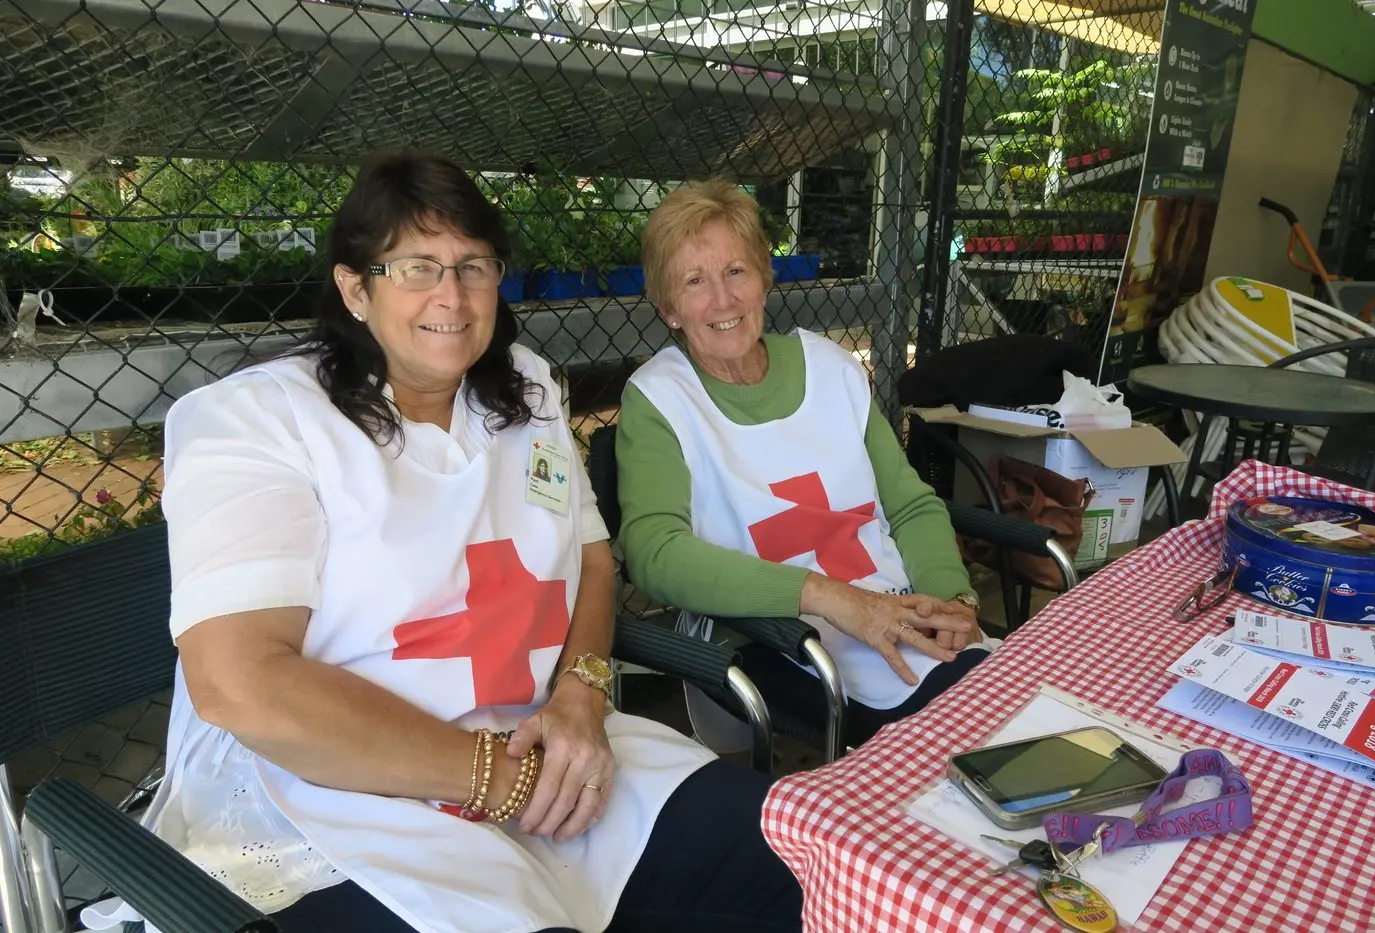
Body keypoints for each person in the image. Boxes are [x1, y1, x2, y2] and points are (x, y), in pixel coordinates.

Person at [81, 153, 801, 933]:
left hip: (542, 735)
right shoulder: (256, 420)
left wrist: (581, 695)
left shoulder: (523, 387)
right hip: (335, 798)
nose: (451, 296)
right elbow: (240, 683)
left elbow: (592, 558)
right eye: (416, 266)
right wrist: (493, 779)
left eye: (473, 267)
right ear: (355, 288)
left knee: (805, 858)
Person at [616, 179, 996, 750]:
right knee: (961, 731)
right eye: (695, 282)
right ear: (669, 308)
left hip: (896, 604)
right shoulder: (658, 400)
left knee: (1011, 696)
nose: (722, 300)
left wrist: (952, 601)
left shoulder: (833, 369)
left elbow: (911, 504)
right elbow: (655, 554)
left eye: (736, 271)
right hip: (770, 635)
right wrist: (830, 596)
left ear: (765, 278)